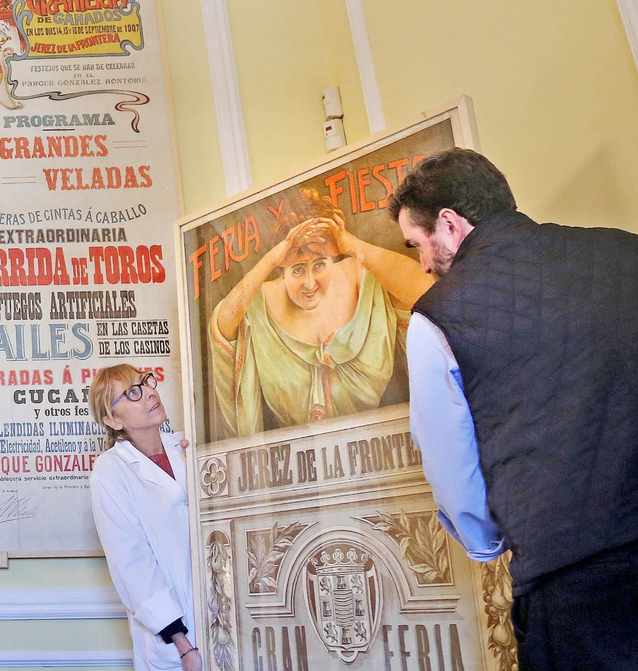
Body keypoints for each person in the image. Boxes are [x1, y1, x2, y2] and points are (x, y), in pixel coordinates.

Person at [389, 148, 638, 670]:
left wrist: (485, 542)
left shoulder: (436, 318)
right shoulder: (626, 253)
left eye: (417, 244)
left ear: (450, 226)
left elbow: (451, 470)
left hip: (574, 587)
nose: (422, 263)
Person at [207, 188, 430, 437]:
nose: (310, 284)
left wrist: (350, 245)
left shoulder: (367, 279)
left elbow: (427, 293)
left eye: (320, 265)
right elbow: (222, 328)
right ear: (281, 269)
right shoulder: (260, 301)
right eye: (298, 270)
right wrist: (270, 259)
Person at [88, 364, 201, 671]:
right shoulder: (110, 471)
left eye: (146, 383)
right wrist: (183, 644)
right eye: (132, 393)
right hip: (175, 642)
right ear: (112, 420)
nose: (150, 392)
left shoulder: (189, 447)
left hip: (224, 621)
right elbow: (133, 565)